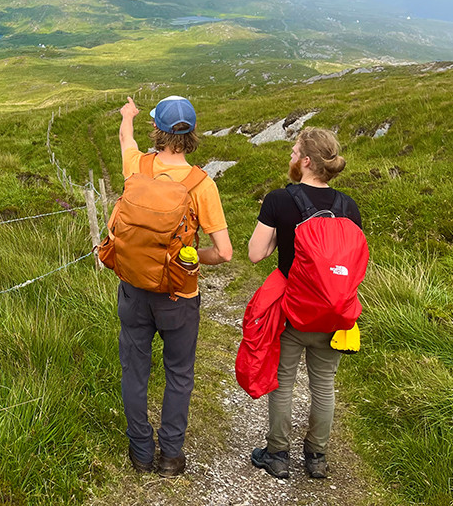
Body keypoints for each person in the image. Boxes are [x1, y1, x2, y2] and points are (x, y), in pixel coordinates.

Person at [117, 95, 232, 476]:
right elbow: (226, 252)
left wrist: (127, 116)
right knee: (178, 372)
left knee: (135, 371)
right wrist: (195, 257)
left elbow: (125, 142)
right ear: (191, 133)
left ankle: (140, 451)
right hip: (179, 294)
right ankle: (170, 456)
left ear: (158, 131)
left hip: (134, 289)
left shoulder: (138, 167)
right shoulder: (201, 184)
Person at [246, 127, 363, 480]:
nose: (291, 156)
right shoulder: (348, 206)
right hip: (334, 314)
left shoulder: (280, 200)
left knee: (283, 383)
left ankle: (277, 454)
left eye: (295, 151)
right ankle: (316, 458)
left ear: (307, 161)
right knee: (323, 385)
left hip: (292, 312)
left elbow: (254, 254)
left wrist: (278, 244)